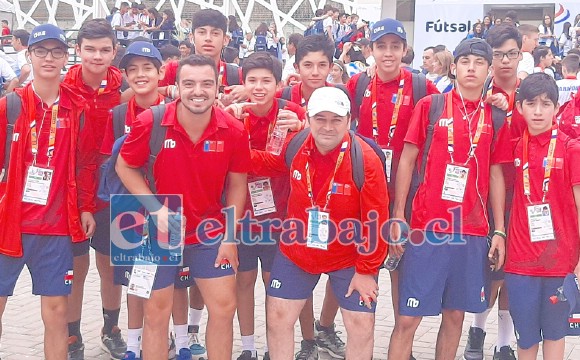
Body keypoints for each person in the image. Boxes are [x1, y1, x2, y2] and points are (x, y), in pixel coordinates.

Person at [116, 54, 250, 360]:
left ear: (218, 86)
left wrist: (230, 236)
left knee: (224, 306)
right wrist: (154, 208)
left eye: (206, 83)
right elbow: (125, 166)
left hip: (209, 230)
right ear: (176, 87)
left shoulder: (234, 130)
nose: (198, 91)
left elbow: (238, 185)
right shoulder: (150, 122)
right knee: (156, 313)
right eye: (189, 84)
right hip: (158, 232)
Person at [387, 38, 508, 360]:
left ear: (489, 70)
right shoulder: (431, 106)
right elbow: (407, 159)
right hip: (427, 226)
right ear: (453, 68)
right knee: (408, 318)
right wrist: (398, 213)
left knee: (455, 316)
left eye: (479, 62)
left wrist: (498, 230)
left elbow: (497, 175)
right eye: (465, 61)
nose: (471, 67)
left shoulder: (495, 118)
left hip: (471, 231)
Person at [250, 86, 388, 359]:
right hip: (297, 251)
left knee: (362, 325)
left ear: (349, 121)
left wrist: (366, 270)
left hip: (349, 257)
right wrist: (230, 146)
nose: (327, 127)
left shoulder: (366, 159)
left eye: (336, 120)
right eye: (320, 119)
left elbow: (376, 220)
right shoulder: (297, 144)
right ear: (309, 119)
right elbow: (268, 162)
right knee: (277, 317)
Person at [347, 19, 438, 359]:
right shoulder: (356, 85)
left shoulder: (420, 85)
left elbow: (451, 114)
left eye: (394, 47)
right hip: (364, 191)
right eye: (381, 46)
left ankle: (403, 346)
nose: (388, 53)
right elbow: (327, 116)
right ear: (370, 50)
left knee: (403, 267)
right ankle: (332, 328)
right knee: (356, 263)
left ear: (403, 50)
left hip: (407, 192)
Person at [0, 23, 89, 360]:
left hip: (55, 229)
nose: (49, 58)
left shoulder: (77, 108)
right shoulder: (11, 106)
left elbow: (85, 166)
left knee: (56, 314)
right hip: (9, 225)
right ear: (29, 54)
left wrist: (86, 208)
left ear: (66, 57)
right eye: (41, 51)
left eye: (56, 51)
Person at [223, 52, 305, 360]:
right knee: (243, 282)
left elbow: (283, 163)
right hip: (242, 216)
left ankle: (275, 347)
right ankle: (247, 348)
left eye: (266, 81)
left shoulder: (291, 114)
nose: (259, 87)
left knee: (275, 285)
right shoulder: (232, 114)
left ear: (279, 84)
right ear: (243, 82)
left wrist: (244, 159)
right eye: (252, 80)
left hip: (280, 217)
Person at [61, 19, 125, 360]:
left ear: (115, 51)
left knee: (110, 265)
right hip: (68, 193)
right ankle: (72, 335)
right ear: (78, 51)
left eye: (104, 50)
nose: (97, 56)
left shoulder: (124, 88)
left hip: (108, 195)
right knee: (75, 266)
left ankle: (110, 328)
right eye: (90, 49)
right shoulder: (61, 90)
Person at [463, 23, 527, 360]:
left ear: (520, 54)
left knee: (511, 272)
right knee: (489, 269)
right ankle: (477, 330)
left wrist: (513, 110)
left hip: (526, 195)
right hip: (483, 195)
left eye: (511, 53)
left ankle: (504, 343)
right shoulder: (475, 91)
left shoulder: (533, 92)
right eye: (499, 54)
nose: (505, 60)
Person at [506, 72, 580, 360]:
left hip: (560, 262)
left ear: (557, 108)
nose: (538, 111)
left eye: (546, 104)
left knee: (555, 334)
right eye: (532, 103)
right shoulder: (514, 145)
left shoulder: (571, 148)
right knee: (525, 338)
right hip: (520, 263)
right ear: (520, 107)